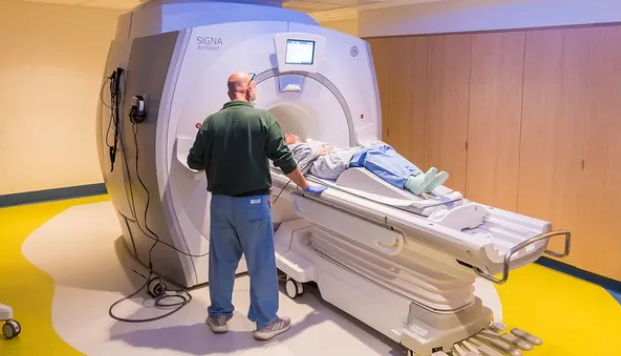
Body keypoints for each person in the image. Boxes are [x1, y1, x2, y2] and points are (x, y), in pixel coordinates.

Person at [187, 72, 326, 339]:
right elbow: (285, 160)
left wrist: (221, 160)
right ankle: (265, 323)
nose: (256, 91)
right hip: (253, 204)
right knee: (261, 262)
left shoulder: (211, 122)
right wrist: (306, 186)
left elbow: (195, 162)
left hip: (220, 204)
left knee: (221, 262)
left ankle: (218, 316)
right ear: (247, 90)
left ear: (230, 93)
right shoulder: (264, 119)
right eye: (254, 86)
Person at [284, 134, 449, 196]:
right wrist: (317, 153)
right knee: (368, 155)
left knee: (381, 147)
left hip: (341, 154)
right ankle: (409, 182)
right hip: (329, 165)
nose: (289, 133)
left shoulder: (310, 140)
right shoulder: (293, 150)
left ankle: (419, 177)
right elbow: (297, 170)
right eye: (286, 135)